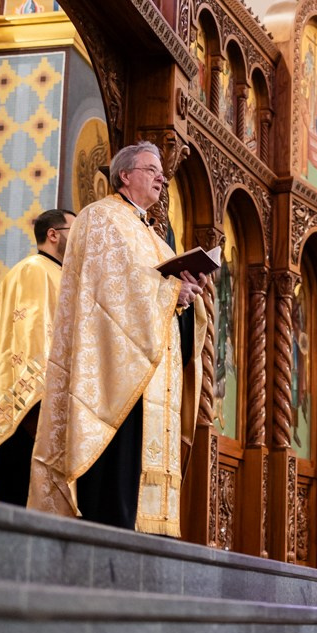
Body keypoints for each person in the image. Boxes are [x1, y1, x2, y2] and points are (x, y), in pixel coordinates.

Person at [28, 142, 207, 533]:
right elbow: (105, 291)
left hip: (152, 373)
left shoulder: (155, 238)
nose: (161, 176)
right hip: (114, 371)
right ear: (125, 175)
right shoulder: (100, 218)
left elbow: (161, 294)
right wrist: (166, 293)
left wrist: (188, 293)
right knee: (114, 479)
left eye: (162, 171)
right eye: (151, 168)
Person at [0, 208, 76, 507]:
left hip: (51, 407)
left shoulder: (61, 274)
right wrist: (42, 409)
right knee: (15, 495)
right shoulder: (34, 270)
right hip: (30, 411)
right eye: (74, 233)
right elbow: (32, 341)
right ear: (53, 235)